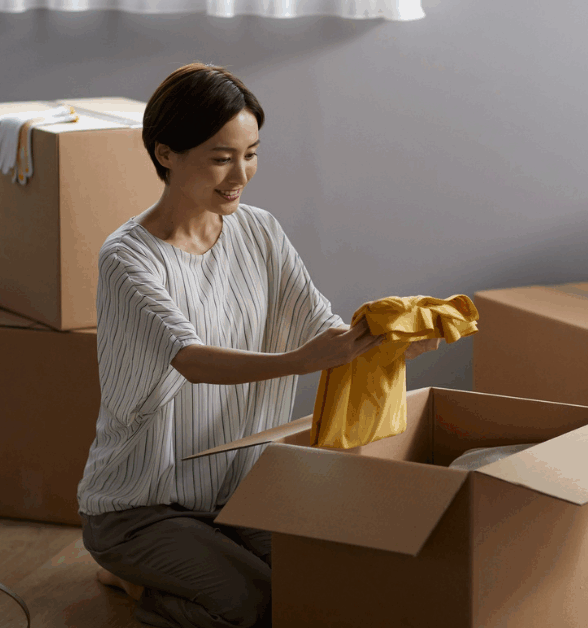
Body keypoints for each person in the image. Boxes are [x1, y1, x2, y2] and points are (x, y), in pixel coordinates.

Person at [76, 63, 440, 628]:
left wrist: (388, 343)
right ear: (166, 153)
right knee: (260, 609)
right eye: (222, 157)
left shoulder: (260, 230)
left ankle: (189, 566)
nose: (240, 174)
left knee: (327, 589)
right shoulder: (127, 258)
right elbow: (191, 360)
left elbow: (320, 327)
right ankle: (133, 576)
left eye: (251, 154)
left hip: (245, 492)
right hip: (142, 506)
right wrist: (303, 361)